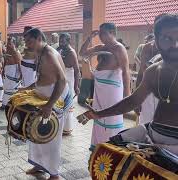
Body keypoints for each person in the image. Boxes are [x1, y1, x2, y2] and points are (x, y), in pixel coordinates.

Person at [81, 14, 178, 155]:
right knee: (115, 147)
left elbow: (125, 72)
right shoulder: (153, 71)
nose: (174, 45)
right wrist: (98, 114)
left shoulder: (118, 49)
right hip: (155, 136)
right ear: (156, 41)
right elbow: (133, 101)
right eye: (166, 38)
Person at [23, 28, 72, 180]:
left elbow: (62, 81)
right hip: (43, 96)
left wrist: (50, 105)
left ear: (39, 38)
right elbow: (43, 76)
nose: (27, 45)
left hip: (54, 99)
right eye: (26, 42)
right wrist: (29, 88)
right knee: (36, 131)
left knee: (51, 136)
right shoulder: (40, 52)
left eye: (29, 41)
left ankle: (54, 174)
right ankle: (39, 165)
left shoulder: (49, 54)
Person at [79, 23, 130, 149]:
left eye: (104, 33)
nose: (101, 36)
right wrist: (89, 38)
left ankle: (111, 149)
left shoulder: (119, 48)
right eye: (99, 33)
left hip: (112, 91)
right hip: (99, 90)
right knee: (98, 116)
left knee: (111, 118)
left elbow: (125, 71)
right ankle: (98, 147)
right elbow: (83, 53)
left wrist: (127, 96)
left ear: (112, 32)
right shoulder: (101, 47)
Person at [57, 33, 80, 136]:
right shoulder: (60, 49)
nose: (60, 43)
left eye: (63, 41)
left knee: (67, 103)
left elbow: (77, 70)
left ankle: (67, 128)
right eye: (60, 41)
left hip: (69, 81)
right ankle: (59, 126)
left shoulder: (71, 53)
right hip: (60, 80)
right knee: (59, 103)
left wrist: (76, 86)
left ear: (68, 41)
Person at [1, 37, 22, 109]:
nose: (8, 45)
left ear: (14, 44)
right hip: (8, 72)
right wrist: (3, 70)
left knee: (12, 89)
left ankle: (12, 105)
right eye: (7, 44)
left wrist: (21, 75)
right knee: (6, 88)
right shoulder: (7, 51)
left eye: (10, 44)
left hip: (14, 73)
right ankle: (4, 104)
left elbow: (19, 64)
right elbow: (5, 61)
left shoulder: (16, 52)